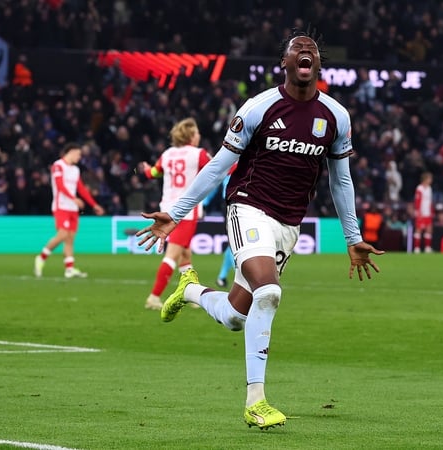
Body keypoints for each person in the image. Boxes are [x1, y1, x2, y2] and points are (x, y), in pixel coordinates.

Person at [136, 27, 383, 430]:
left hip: (288, 223)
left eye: (312, 49)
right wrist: (177, 213)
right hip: (248, 208)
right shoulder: (258, 107)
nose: (305, 51)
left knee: (237, 315)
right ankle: (256, 400)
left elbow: (341, 181)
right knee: (268, 292)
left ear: (318, 64)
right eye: (296, 49)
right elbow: (218, 165)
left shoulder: (336, 116)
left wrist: (352, 237)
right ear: (284, 64)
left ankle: (192, 290)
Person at [140, 118, 211, 310]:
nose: (199, 136)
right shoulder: (199, 155)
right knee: (172, 255)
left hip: (166, 210)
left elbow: (154, 173)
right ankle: (154, 297)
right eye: (196, 133)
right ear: (190, 135)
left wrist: (146, 170)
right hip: (185, 212)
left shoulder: (167, 154)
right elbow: (223, 168)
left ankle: (192, 295)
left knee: (185, 254)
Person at [34, 143, 105, 278]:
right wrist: (74, 199)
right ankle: (41, 257)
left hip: (72, 208)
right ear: (71, 152)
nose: (79, 157)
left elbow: (81, 189)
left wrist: (94, 205)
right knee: (62, 235)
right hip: (61, 206)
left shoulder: (75, 170)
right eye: (78, 154)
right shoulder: (58, 166)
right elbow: (60, 186)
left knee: (70, 239)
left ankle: (69, 269)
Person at [413, 172, 434, 253]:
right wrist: (418, 211)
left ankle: (427, 247)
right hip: (421, 212)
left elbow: (430, 201)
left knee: (428, 229)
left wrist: (431, 211)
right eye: (429, 179)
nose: (431, 180)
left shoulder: (429, 188)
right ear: (425, 179)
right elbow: (417, 201)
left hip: (428, 212)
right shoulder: (419, 188)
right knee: (419, 230)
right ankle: (417, 248)